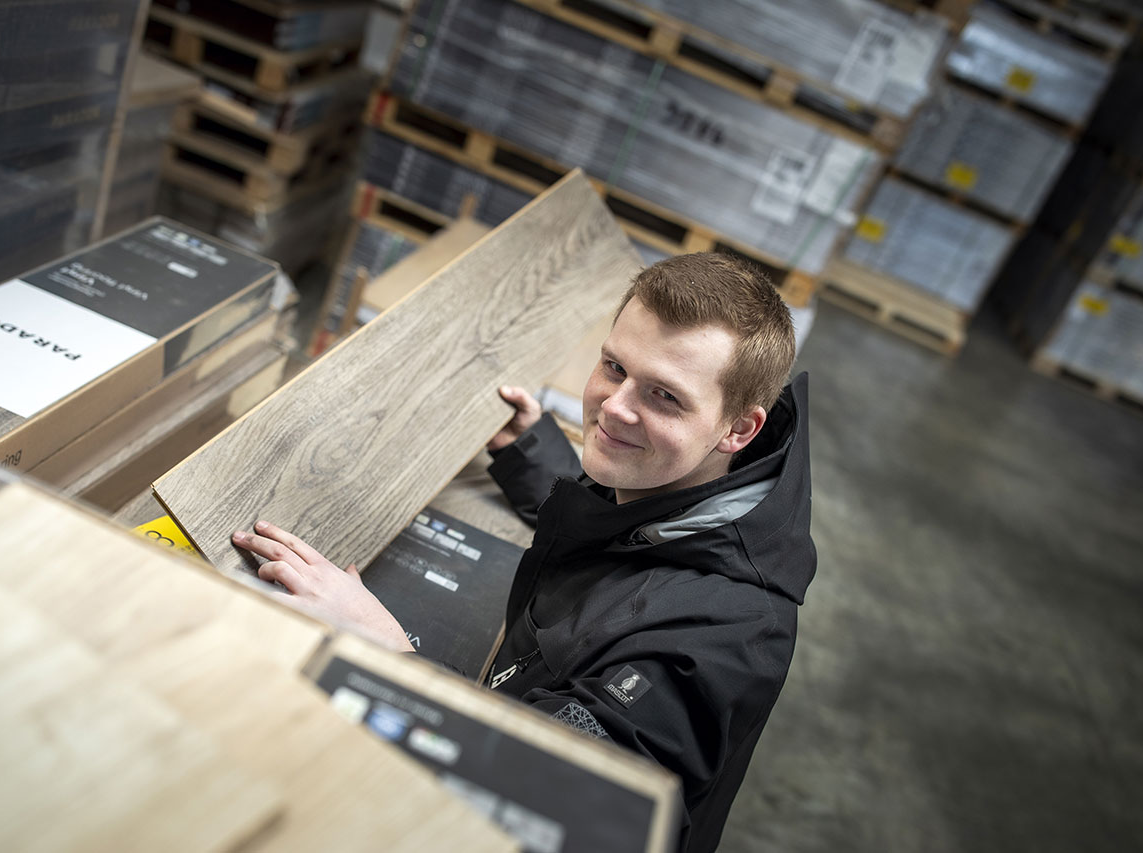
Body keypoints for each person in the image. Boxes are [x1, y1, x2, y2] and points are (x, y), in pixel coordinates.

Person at [233, 251, 816, 852]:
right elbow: (625, 537)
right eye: (614, 366)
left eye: (665, 397)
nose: (614, 407)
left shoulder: (719, 640)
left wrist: (392, 655)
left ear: (739, 429)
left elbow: (557, 797)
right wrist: (533, 450)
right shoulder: (691, 483)